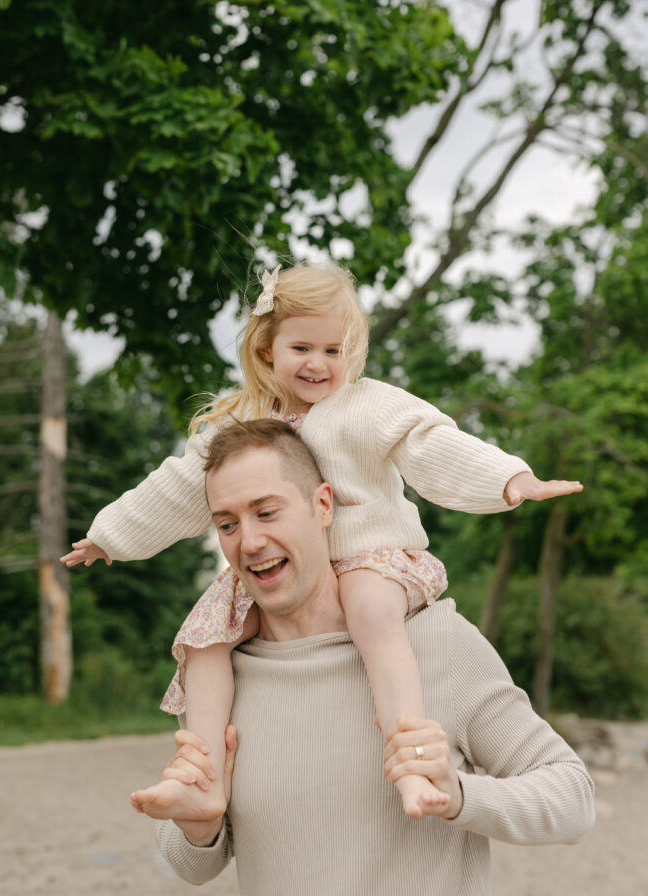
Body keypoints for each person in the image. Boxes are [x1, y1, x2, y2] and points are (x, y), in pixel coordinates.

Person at [62, 262, 582, 818]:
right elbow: (179, 486)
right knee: (203, 640)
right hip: (280, 576)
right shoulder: (243, 421)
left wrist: (510, 479)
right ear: (267, 350)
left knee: (371, 616)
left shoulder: (367, 405)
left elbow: (432, 444)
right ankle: (204, 777)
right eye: (302, 348)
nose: (318, 364)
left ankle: (413, 761)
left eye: (333, 351)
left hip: (371, 558)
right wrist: (109, 534)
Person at [141, 419, 595, 896]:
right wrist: (199, 829)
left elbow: (572, 799)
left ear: (323, 505)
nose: (248, 542)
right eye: (228, 524)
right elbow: (192, 864)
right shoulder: (220, 679)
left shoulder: (438, 642)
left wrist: (458, 793)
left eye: (267, 512)